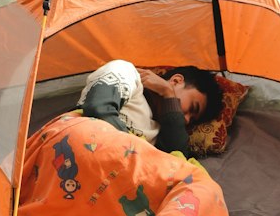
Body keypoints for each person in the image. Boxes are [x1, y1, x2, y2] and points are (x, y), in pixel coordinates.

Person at [77, 60, 222, 156]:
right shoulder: (127, 72)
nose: (185, 119)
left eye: (192, 120)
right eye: (192, 108)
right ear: (176, 81)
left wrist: (169, 96)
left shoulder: (161, 130)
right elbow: (97, 109)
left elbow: (177, 158)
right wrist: (167, 91)